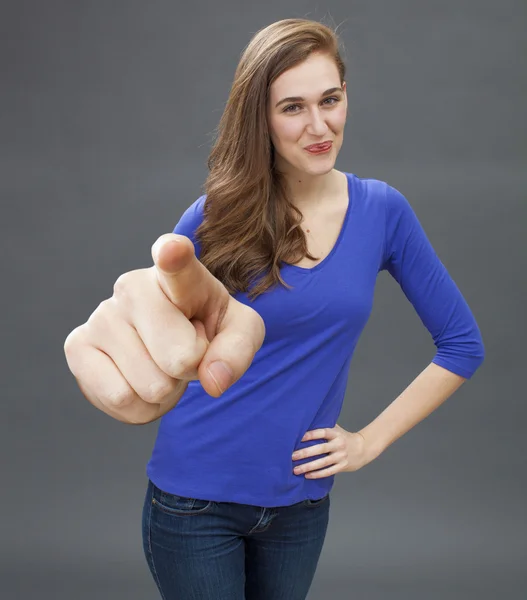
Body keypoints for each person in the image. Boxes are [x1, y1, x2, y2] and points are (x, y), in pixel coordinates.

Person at [63, 18, 485, 600]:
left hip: (299, 508)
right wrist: (115, 355)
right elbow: (144, 324)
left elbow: (463, 344)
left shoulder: (383, 211)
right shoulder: (217, 216)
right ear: (259, 118)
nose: (319, 126)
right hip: (195, 501)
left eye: (330, 100)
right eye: (293, 107)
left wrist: (368, 442)